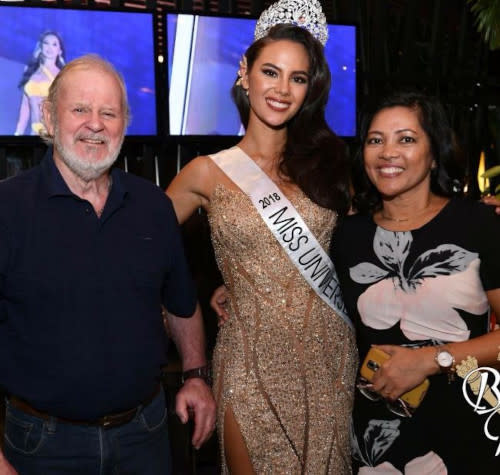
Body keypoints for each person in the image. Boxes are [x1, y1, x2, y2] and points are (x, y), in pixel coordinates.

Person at [166, 0, 358, 472]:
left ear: (309, 89)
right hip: (249, 361)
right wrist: (208, 290)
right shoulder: (204, 173)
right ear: (244, 72)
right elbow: (142, 252)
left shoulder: (329, 166)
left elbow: (357, 254)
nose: (282, 89)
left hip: (328, 360)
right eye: (270, 72)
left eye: (297, 78)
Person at [0, 54, 215, 475]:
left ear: (124, 124)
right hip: (41, 445)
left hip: (146, 435)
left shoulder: (153, 206)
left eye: (109, 112)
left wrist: (195, 375)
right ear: (48, 115)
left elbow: (180, 303)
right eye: (80, 109)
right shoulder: (6, 209)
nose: (95, 124)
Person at [330, 90, 500, 474]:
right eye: (376, 140)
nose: (388, 152)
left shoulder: (477, 224)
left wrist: (430, 360)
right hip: (377, 436)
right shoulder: (346, 237)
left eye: (406, 139)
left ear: (434, 152)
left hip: (463, 429)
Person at [14, 31, 66, 136]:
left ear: (59, 51)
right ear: (41, 46)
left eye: (54, 44)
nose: (49, 47)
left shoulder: (62, 75)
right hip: (34, 133)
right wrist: (18, 133)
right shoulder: (30, 72)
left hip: (53, 134)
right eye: (46, 43)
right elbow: (25, 107)